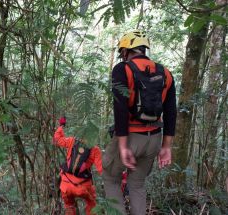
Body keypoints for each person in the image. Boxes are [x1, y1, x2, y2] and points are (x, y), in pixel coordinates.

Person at [102, 30, 177, 215]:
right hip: (154, 140)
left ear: (126, 51)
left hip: (130, 137)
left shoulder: (122, 69)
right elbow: (170, 112)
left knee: (111, 179)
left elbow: (120, 108)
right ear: (143, 49)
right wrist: (166, 147)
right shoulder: (165, 73)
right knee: (137, 184)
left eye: (122, 53)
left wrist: (123, 146)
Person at [53, 117, 103, 215]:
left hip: (66, 185)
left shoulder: (72, 141)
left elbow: (57, 139)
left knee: (69, 206)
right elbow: (101, 170)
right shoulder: (95, 149)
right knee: (92, 204)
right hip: (83, 186)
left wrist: (61, 126)